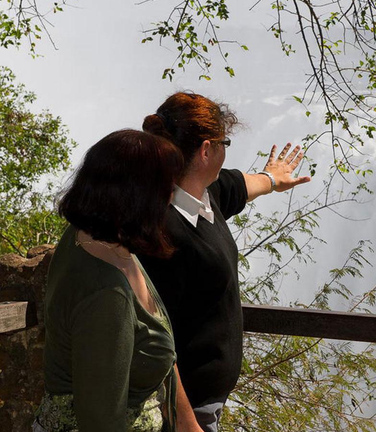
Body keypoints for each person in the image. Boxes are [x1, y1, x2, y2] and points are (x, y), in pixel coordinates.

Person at [140, 91, 311, 432]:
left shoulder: (203, 196)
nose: (225, 151)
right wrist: (188, 425)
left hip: (205, 402)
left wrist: (273, 179)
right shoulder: (161, 232)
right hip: (184, 411)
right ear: (206, 150)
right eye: (224, 143)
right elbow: (153, 341)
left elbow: (240, 184)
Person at [34, 130, 185, 432]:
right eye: (166, 188)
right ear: (137, 196)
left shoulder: (95, 238)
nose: (172, 196)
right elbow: (102, 421)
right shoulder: (106, 295)